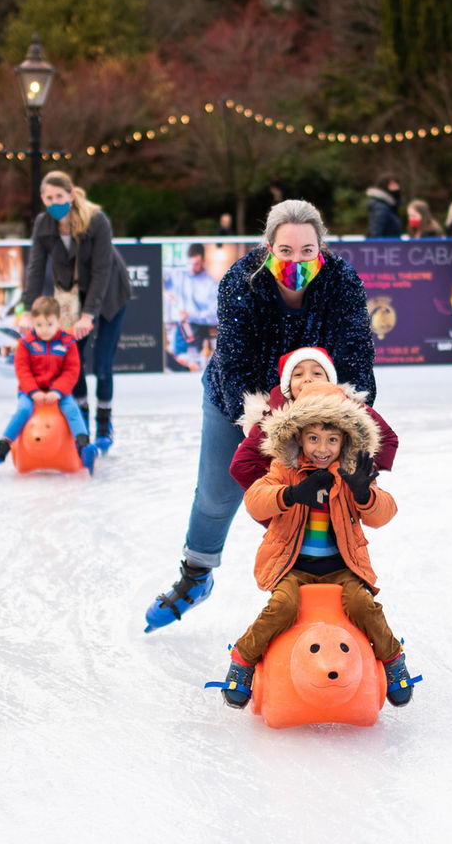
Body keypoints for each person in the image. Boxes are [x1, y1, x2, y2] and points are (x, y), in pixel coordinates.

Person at [145, 199, 377, 632]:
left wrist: (350, 426)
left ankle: (324, 589)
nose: (296, 260)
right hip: (241, 402)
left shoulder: (343, 282)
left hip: (316, 410)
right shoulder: (242, 281)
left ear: (320, 248)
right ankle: (196, 575)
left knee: (320, 498)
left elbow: (358, 360)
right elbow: (235, 367)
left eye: (307, 250)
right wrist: (266, 429)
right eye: (285, 250)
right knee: (217, 494)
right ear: (268, 246)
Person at [218, 380, 417, 710]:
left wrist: (364, 493)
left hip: (342, 568)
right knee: (282, 607)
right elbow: (255, 501)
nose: (322, 449)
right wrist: (291, 494)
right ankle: (244, 658)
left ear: (345, 440)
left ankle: (393, 659)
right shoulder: (285, 469)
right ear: (298, 437)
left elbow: (384, 513)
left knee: (363, 605)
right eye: (313, 438)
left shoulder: (353, 471)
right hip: (292, 567)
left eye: (332, 440)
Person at [18, 171, 131, 453]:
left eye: (59, 196)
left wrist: (88, 315)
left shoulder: (96, 220)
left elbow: (102, 270)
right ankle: (82, 425)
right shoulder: (44, 224)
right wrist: (28, 310)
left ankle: (104, 424)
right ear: (43, 199)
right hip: (75, 299)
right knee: (74, 362)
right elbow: (34, 268)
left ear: (70, 195)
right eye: (49, 197)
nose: (55, 201)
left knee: (103, 364)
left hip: (110, 296)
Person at [230, 345, 398, 492]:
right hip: (296, 506)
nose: (308, 378)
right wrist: (280, 500)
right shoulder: (273, 417)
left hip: (340, 499)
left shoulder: (350, 408)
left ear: (330, 381)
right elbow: (242, 467)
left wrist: (358, 472)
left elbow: (388, 439)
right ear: (287, 386)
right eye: (298, 374)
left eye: (317, 372)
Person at [0, 296, 97, 474]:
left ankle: (83, 446)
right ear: (33, 323)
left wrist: (58, 391)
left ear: (58, 322)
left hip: (59, 393)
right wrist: (33, 391)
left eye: (49, 324)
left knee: (72, 410)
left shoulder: (67, 343)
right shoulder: (26, 344)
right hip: (30, 393)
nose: (44, 330)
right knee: (22, 411)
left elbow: (71, 370)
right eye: (39, 325)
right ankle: (2, 449)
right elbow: (23, 371)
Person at [165, 243, 219, 366]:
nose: (191, 268)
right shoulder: (178, 275)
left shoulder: (211, 285)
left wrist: (190, 315)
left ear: (204, 261)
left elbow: (214, 315)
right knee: (176, 365)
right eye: (189, 264)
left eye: (196, 264)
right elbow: (159, 279)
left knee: (197, 366)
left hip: (199, 332)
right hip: (179, 331)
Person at [366, 173, 402, 238]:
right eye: (392, 184)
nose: (397, 187)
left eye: (397, 184)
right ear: (384, 185)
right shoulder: (381, 207)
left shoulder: (390, 206)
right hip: (385, 247)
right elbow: (375, 233)